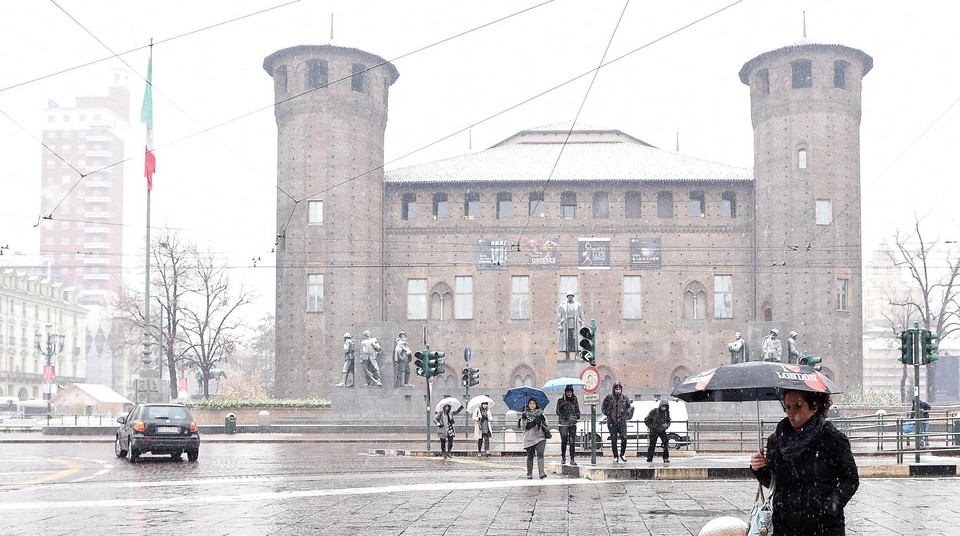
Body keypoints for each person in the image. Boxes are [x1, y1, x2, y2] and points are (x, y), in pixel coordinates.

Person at [750, 390, 859, 535]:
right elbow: (774, 482)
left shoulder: (833, 439)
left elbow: (850, 479)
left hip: (823, 527)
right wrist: (759, 469)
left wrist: (832, 504)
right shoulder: (777, 440)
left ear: (814, 407)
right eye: (788, 407)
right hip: (785, 526)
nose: (791, 412)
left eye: (798, 406)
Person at [601, 381, 633, 463]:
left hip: (622, 422)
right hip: (612, 422)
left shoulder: (625, 398)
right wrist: (608, 414)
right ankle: (615, 456)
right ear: (614, 389)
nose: (618, 391)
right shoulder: (609, 398)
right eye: (616, 389)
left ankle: (622, 454)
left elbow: (629, 407)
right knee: (614, 440)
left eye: (619, 389)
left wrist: (625, 414)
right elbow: (603, 407)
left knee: (624, 438)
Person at [521, 397, 548, 479]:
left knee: (540, 455)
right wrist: (524, 419)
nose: (532, 405)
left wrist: (542, 420)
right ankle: (529, 473)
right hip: (529, 438)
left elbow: (546, 425)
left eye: (533, 403)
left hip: (540, 437)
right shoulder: (525, 414)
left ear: (536, 405)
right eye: (530, 403)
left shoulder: (541, 413)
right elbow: (523, 427)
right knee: (530, 456)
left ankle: (541, 472)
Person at [556, 385, 581, 465]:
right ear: (565, 392)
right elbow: (557, 412)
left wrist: (575, 417)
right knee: (564, 441)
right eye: (567, 392)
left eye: (570, 392)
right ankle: (563, 458)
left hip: (572, 424)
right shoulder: (560, 400)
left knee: (572, 442)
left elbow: (578, 412)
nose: (569, 394)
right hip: (563, 424)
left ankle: (572, 459)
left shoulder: (575, 400)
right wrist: (563, 405)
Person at [557, 292, 585, 359]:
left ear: (573, 296)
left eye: (571, 296)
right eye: (569, 296)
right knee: (567, 340)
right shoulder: (562, 305)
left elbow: (581, 314)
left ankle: (577, 355)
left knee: (575, 339)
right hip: (566, 324)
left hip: (576, 324)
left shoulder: (578, 305)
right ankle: (567, 356)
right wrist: (559, 324)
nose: (570, 297)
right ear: (567, 297)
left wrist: (583, 323)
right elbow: (559, 316)